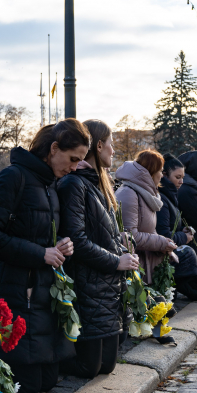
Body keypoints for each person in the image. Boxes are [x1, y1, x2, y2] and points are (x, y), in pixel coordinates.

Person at [0, 119, 88, 393]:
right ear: (54, 148)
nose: (75, 167)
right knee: (28, 386)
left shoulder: (51, 184)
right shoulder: (13, 177)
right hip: (17, 291)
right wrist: (40, 253)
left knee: (47, 383)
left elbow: (44, 234)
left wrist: (62, 245)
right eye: (73, 158)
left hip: (43, 293)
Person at [58, 120, 139, 379]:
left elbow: (104, 233)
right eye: (111, 144)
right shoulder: (75, 184)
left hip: (107, 285)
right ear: (100, 145)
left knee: (106, 366)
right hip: (88, 284)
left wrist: (123, 245)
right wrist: (117, 261)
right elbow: (78, 240)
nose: (113, 151)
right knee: (90, 368)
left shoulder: (100, 185)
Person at [115, 150, 177, 284]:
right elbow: (129, 236)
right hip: (137, 267)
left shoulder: (145, 193)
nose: (162, 175)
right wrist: (161, 243)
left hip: (148, 262)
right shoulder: (129, 193)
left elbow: (148, 230)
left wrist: (166, 246)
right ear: (151, 171)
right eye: (160, 171)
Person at [154, 154, 197, 302]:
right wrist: (185, 237)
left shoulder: (171, 195)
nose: (181, 181)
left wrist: (183, 231)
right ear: (164, 175)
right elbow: (164, 234)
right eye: (177, 177)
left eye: (182, 177)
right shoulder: (163, 199)